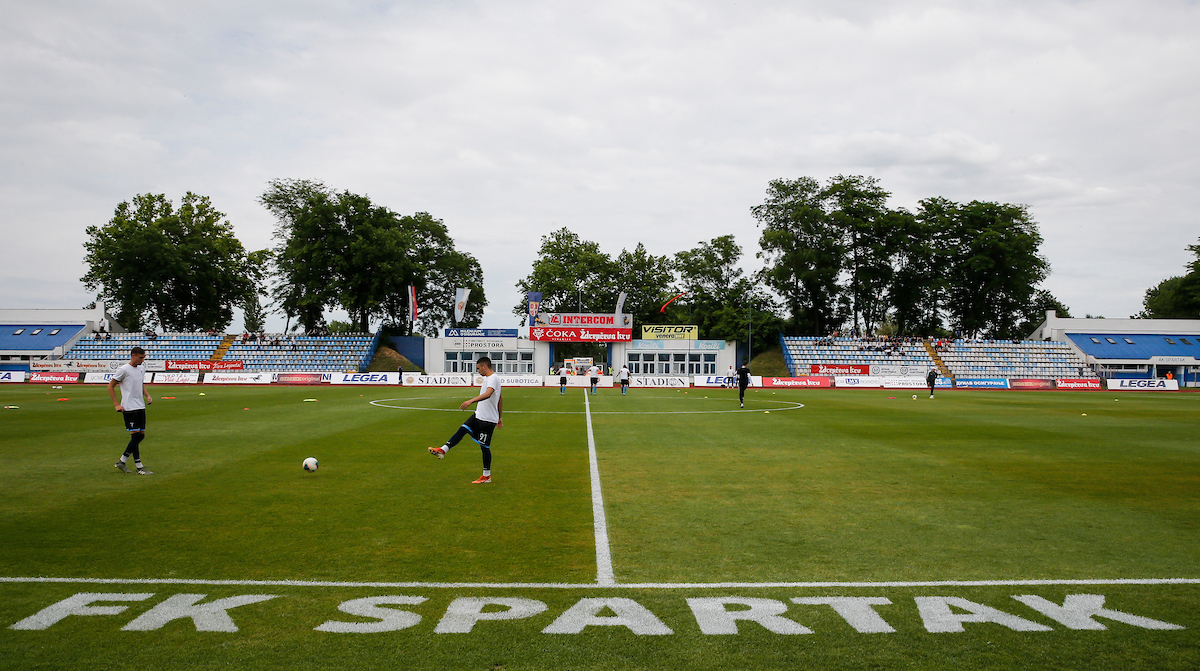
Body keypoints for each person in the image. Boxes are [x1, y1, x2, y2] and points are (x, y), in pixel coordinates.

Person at [428, 356, 502, 484]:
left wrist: (471, 400)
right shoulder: (490, 379)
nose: (478, 371)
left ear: (485, 366)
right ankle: (443, 450)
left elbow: (489, 394)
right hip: (479, 415)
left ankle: (486, 476)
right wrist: (500, 416)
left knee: (484, 447)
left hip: (487, 419)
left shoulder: (493, 378)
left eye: (478, 368)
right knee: (463, 429)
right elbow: (500, 399)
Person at [109, 347, 154, 475]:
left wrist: (147, 395)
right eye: (141, 357)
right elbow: (110, 386)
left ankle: (122, 461)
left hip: (140, 406)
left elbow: (140, 383)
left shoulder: (141, 368)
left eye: (143, 357)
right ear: (133, 356)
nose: (142, 360)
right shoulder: (123, 370)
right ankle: (139, 467)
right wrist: (116, 404)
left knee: (141, 436)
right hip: (129, 407)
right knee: (136, 436)